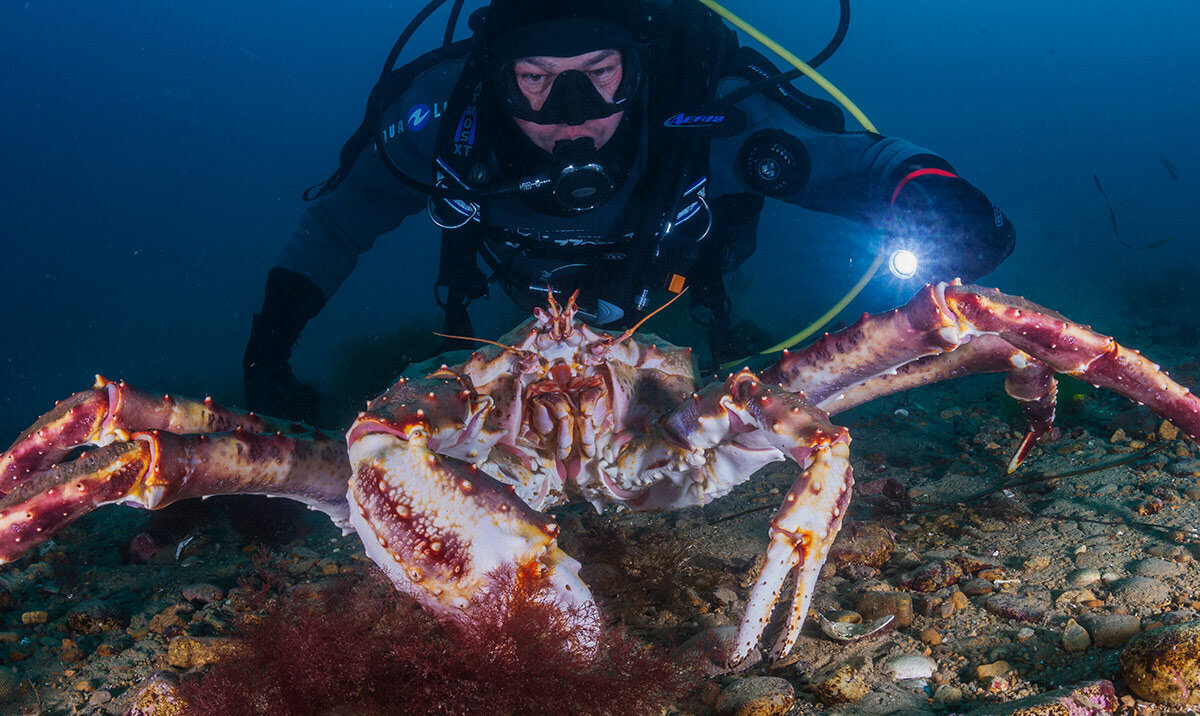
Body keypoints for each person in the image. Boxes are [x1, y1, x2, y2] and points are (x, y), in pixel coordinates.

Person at [243, 0, 1015, 421]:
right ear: (493, 81)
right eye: (536, 80)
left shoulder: (701, 124)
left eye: (600, 75)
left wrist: (939, 200)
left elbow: (864, 162)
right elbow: (337, 223)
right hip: (523, 315)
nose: (572, 111)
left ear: (638, 75)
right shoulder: (441, 125)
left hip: (676, 297)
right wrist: (269, 349)